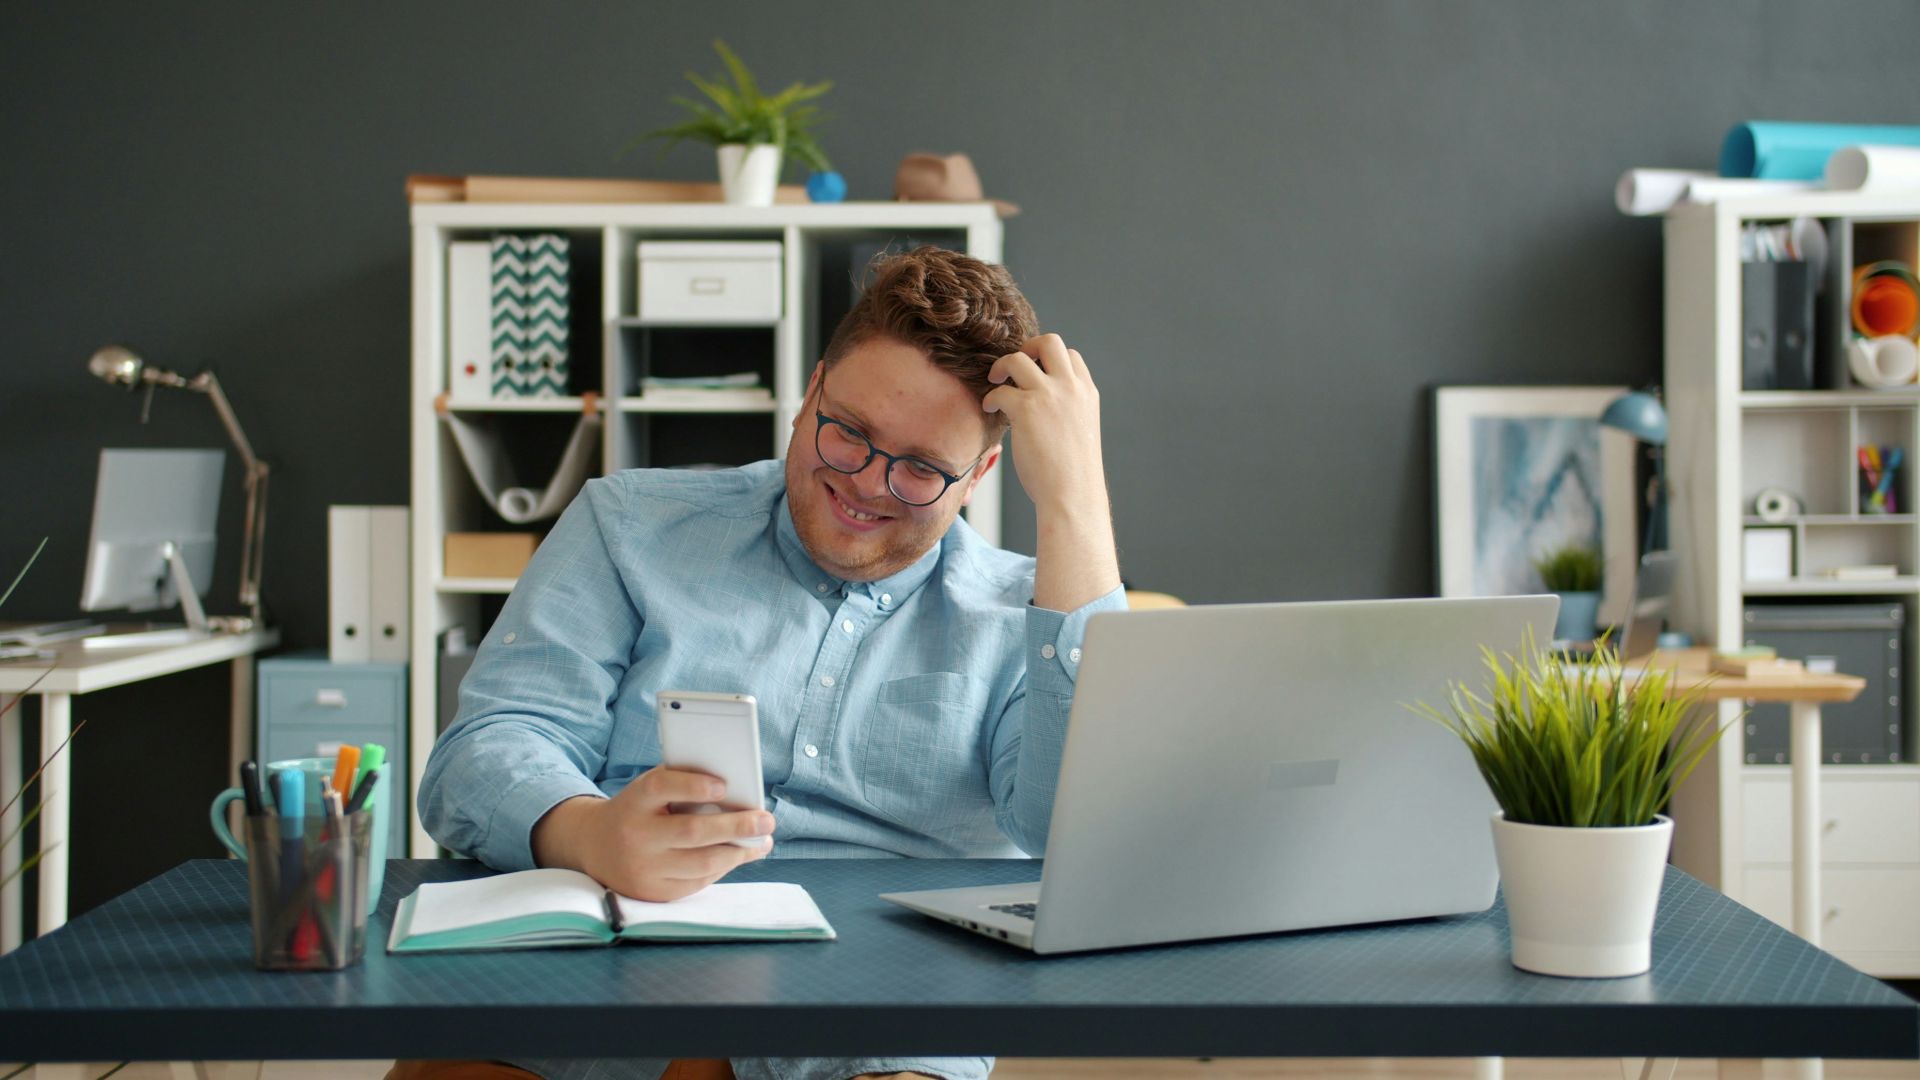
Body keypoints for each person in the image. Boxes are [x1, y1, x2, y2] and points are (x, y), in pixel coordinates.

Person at [406, 246, 1126, 1080]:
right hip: (604, 992)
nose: (866, 485)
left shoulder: (1025, 616)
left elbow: (1075, 839)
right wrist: (589, 832)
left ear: (980, 474)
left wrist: (1075, 502)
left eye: (924, 469)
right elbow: (489, 743)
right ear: (809, 392)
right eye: (848, 432)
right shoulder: (629, 525)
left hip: (876, 1024)